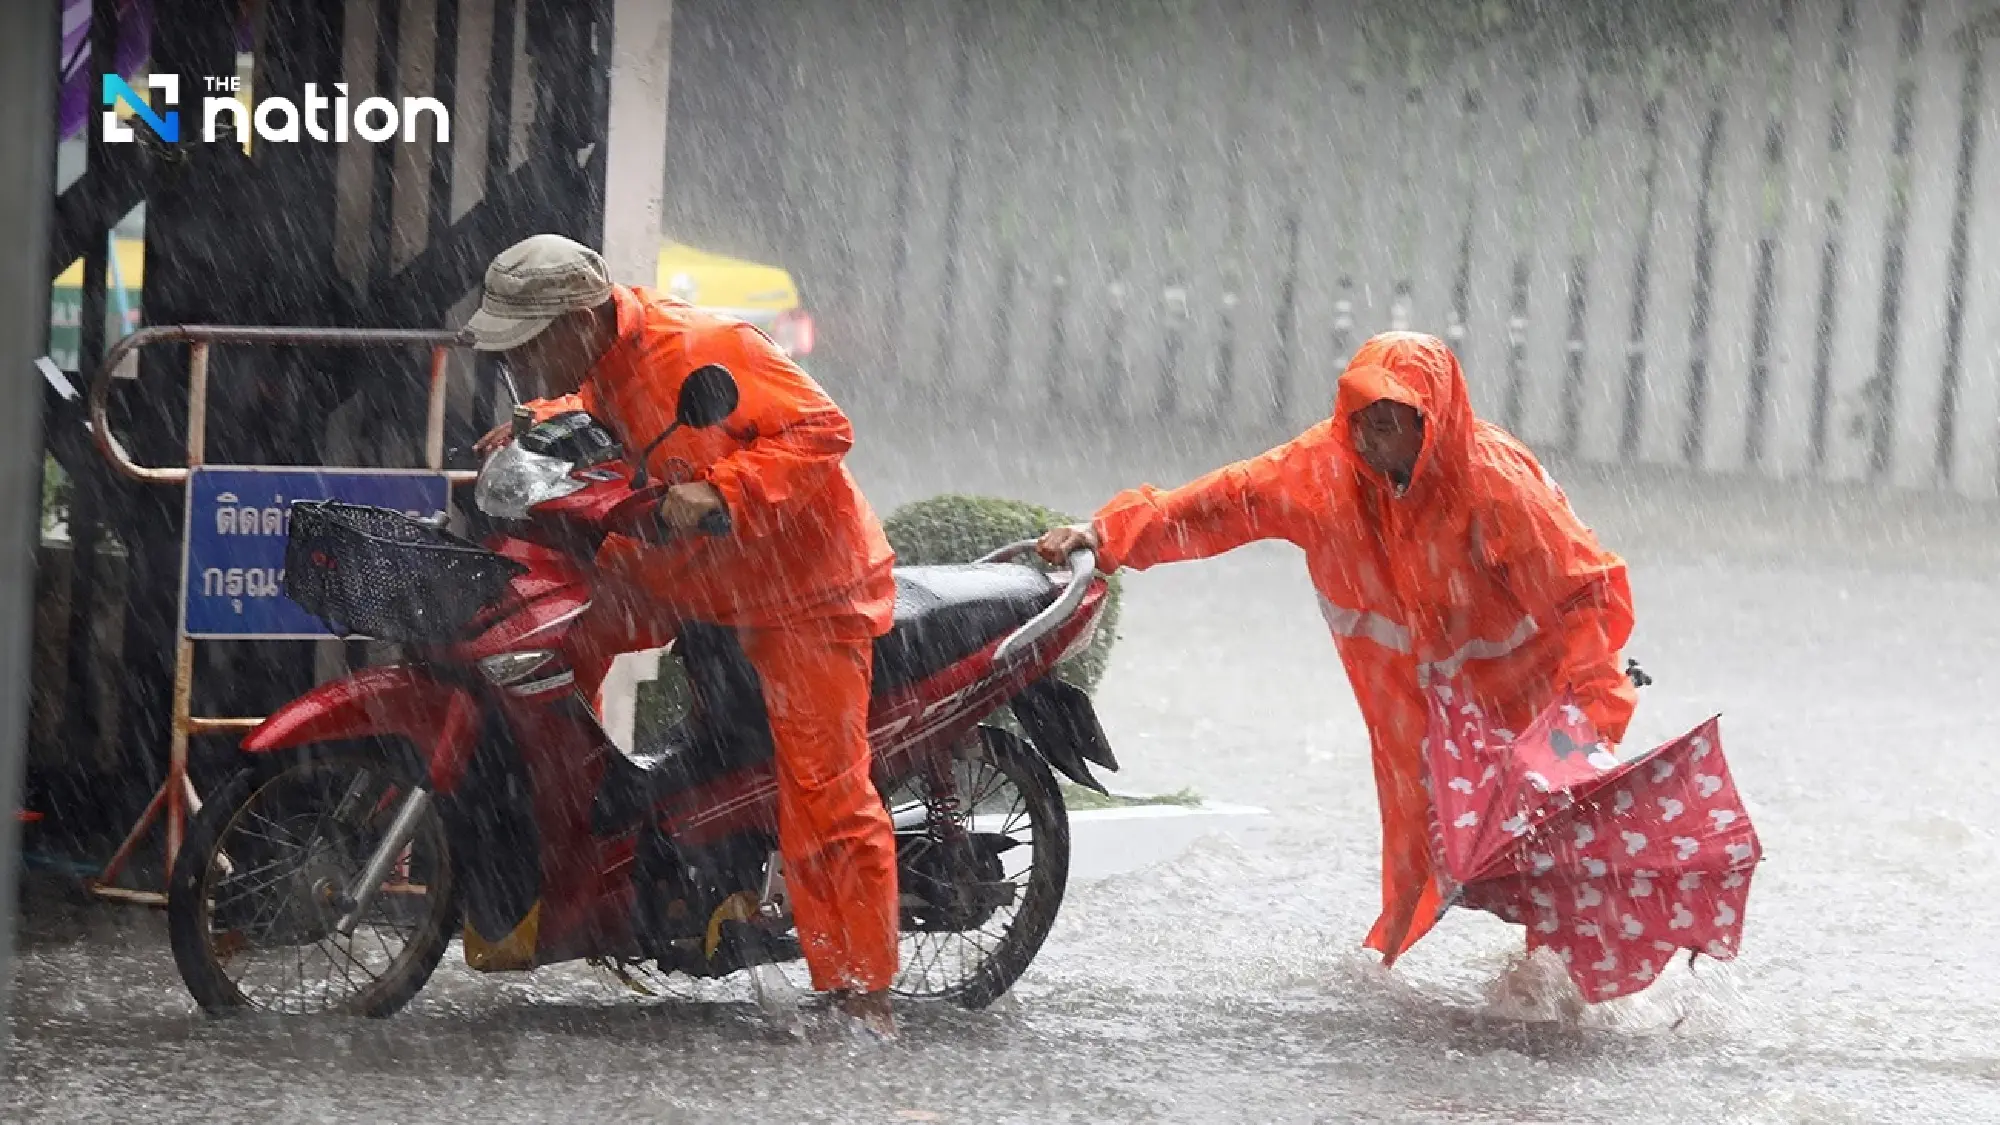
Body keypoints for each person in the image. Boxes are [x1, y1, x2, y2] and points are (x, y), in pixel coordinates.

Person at [1037, 331, 1637, 966]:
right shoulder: (1323, 471)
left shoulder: (1495, 486)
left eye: (1388, 421)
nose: (1370, 438)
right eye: (1360, 420)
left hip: (1528, 698)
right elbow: (1220, 504)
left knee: (1552, 850)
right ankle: (1392, 965)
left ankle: (1560, 980)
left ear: (1429, 424)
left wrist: (1592, 717)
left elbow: (1586, 593)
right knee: (1418, 848)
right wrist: (1105, 535)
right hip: (1415, 711)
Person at [465, 234, 900, 1036]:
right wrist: (538, 420)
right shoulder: (593, 359)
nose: (518, 368)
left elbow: (822, 429)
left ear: (581, 320)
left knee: (824, 797)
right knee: (546, 643)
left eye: (526, 351)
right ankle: (629, 862)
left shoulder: (705, 348)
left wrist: (721, 489)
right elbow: (599, 402)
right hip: (692, 574)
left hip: (803, 589)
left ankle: (862, 990)